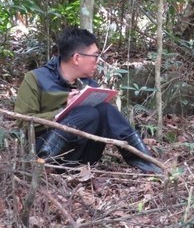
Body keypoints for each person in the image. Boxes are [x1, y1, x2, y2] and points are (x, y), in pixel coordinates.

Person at [14, 27, 162, 174]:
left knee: (106, 109)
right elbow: (22, 122)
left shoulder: (88, 83)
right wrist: (62, 111)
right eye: (95, 56)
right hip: (46, 153)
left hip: (83, 158)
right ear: (77, 58)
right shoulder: (36, 79)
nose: (98, 61)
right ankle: (42, 167)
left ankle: (148, 164)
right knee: (86, 113)